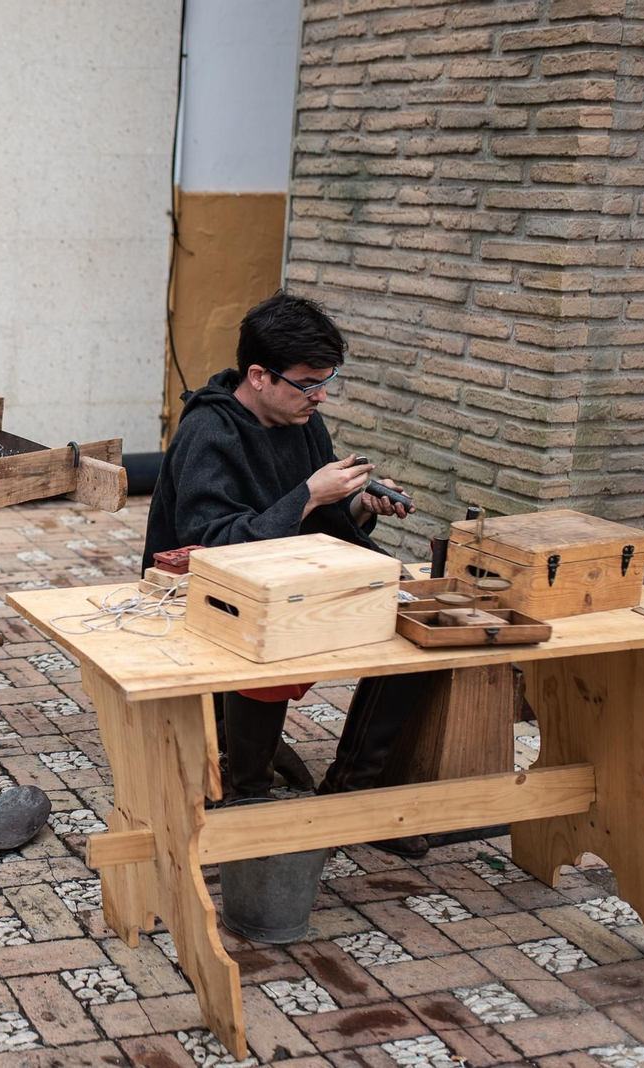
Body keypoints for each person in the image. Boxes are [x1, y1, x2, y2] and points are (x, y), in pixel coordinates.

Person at [143, 291, 430, 857]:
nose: (319, 396)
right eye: (308, 383)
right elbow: (211, 548)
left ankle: (350, 793)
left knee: (417, 628)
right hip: (202, 596)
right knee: (268, 640)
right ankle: (247, 796)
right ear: (258, 376)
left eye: (327, 381)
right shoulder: (209, 432)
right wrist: (306, 494)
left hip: (287, 583)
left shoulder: (302, 421)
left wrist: (357, 508)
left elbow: (320, 523)